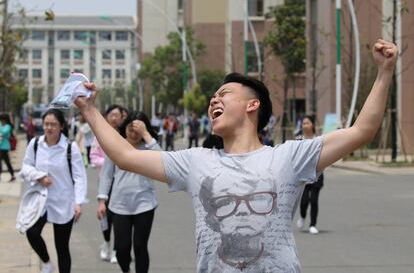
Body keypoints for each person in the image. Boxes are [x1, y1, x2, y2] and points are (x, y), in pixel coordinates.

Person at [75, 39, 397, 272]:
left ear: (251, 105)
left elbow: (361, 131)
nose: (214, 99)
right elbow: (124, 156)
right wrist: (89, 109)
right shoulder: (196, 162)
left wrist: (384, 72)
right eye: (213, 97)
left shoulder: (289, 157)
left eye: (224, 94)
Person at [20, 108, 87, 273]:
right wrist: (39, 176)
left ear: (62, 126)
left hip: (64, 202)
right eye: (46, 124)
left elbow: (80, 178)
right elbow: (25, 166)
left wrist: (78, 203)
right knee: (32, 232)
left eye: (53, 124)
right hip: (40, 200)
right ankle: (47, 263)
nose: (49, 128)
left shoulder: (70, 148)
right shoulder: (35, 144)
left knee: (62, 246)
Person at [97, 111, 160, 273]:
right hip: (119, 205)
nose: (134, 133)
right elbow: (106, 175)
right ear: (125, 128)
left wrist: (146, 134)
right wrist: (102, 200)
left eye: (138, 130)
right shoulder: (116, 146)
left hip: (144, 205)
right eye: (131, 129)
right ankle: (126, 269)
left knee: (140, 246)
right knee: (122, 249)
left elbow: (163, 161)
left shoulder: (149, 147)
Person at [90, 104, 127, 263]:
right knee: (105, 215)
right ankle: (106, 242)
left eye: (117, 115)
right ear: (106, 117)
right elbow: (93, 156)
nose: (114, 117)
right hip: (105, 181)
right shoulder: (100, 136)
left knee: (118, 217)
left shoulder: (125, 135)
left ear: (122, 117)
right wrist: (108, 162)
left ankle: (115, 250)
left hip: (121, 182)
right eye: (111, 114)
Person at [295, 115, 324, 234]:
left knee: (314, 200)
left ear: (312, 125)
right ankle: (302, 216)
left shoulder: (319, 140)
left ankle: (313, 224)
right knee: (304, 201)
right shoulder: (298, 139)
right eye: (303, 123)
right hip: (303, 174)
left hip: (317, 173)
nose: (305, 125)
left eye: (307, 123)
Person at [0, 113, 16, 182]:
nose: (2, 121)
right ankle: (12, 175)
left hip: (5, 146)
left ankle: (12, 175)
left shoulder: (8, 126)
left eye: (3, 120)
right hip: (0, 146)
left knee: (5, 161)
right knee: (7, 162)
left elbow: (3, 132)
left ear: (6, 120)